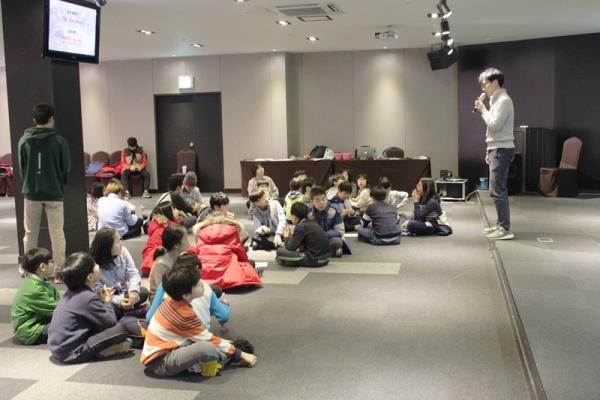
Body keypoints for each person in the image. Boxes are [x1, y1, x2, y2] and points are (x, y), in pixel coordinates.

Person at [141, 263, 257, 377]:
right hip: (161, 362)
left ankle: (218, 357)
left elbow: (198, 335)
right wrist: (240, 354)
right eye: (197, 284)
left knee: (209, 344)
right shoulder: (183, 313)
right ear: (186, 295)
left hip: (164, 351)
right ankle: (225, 358)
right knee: (206, 348)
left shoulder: (174, 301)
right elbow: (207, 338)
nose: (202, 284)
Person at [48, 252, 147, 364]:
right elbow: (110, 322)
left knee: (121, 323)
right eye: (95, 265)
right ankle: (106, 350)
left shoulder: (71, 293)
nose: (98, 265)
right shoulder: (87, 298)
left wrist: (102, 301)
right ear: (90, 277)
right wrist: (107, 301)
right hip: (72, 353)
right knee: (122, 327)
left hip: (59, 349)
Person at [18, 103, 70, 276]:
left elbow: (23, 168)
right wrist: (58, 182)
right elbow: (65, 168)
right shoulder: (60, 141)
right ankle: (59, 270)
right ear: (51, 119)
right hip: (54, 192)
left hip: (32, 192)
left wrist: (31, 182)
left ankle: (28, 269)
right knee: (57, 233)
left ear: (34, 120)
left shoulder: (24, 141)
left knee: (30, 233)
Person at [474, 67, 515, 240]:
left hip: (501, 149)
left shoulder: (504, 101)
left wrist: (483, 110)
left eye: (485, 84)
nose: (483, 88)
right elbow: (492, 131)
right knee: (496, 189)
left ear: (495, 82)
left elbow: (495, 125)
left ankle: (504, 228)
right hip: (496, 148)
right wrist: (488, 150)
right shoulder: (496, 101)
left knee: (497, 189)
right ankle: (500, 224)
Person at [146, 253, 231, 330]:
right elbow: (224, 316)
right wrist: (224, 306)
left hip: (170, 333)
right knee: (215, 292)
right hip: (197, 334)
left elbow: (150, 317)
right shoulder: (205, 286)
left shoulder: (165, 284)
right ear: (197, 269)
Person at [89, 228, 149, 318]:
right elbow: (98, 292)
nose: (121, 244)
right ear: (107, 246)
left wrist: (133, 291)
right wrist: (119, 302)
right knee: (106, 307)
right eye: (117, 241)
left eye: (120, 239)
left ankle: (125, 312)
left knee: (143, 292)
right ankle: (129, 312)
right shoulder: (94, 265)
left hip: (125, 292)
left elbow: (133, 273)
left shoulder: (123, 251)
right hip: (109, 299)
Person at [194, 214, 263, 290]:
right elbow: (241, 256)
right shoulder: (231, 232)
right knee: (250, 263)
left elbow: (197, 254)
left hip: (204, 277)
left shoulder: (202, 233)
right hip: (227, 278)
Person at [11, 248, 61, 345]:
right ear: (43, 267)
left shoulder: (39, 281)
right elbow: (58, 310)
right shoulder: (35, 289)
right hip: (31, 330)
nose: (54, 264)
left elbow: (58, 300)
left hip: (40, 320)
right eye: (52, 261)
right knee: (71, 323)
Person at [276, 202, 332, 267]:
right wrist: (292, 238)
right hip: (326, 259)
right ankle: (289, 261)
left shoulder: (300, 226)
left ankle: (289, 261)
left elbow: (291, 247)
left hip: (315, 260)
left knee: (280, 251)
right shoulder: (312, 222)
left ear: (294, 216)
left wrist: (286, 237)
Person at [140, 202, 186, 277]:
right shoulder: (167, 229)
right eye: (174, 209)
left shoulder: (161, 226)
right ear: (168, 213)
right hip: (155, 261)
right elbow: (184, 246)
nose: (177, 211)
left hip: (150, 259)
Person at [148, 224, 188, 299]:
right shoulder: (161, 264)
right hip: (161, 299)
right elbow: (162, 291)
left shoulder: (181, 257)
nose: (188, 242)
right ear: (176, 245)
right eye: (186, 239)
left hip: (177, 294)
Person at [307, 186, 344, 257]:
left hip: (329, 238)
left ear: (326, 199)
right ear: (312, 202)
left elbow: (340, 231)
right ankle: (328, 252)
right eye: (317, 200)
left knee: (337, 242)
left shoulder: (334, 210)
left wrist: (324, 234)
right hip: (315, 240)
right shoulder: (308, 213)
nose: (321, 203)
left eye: (323, 199)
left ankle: (316, 252)